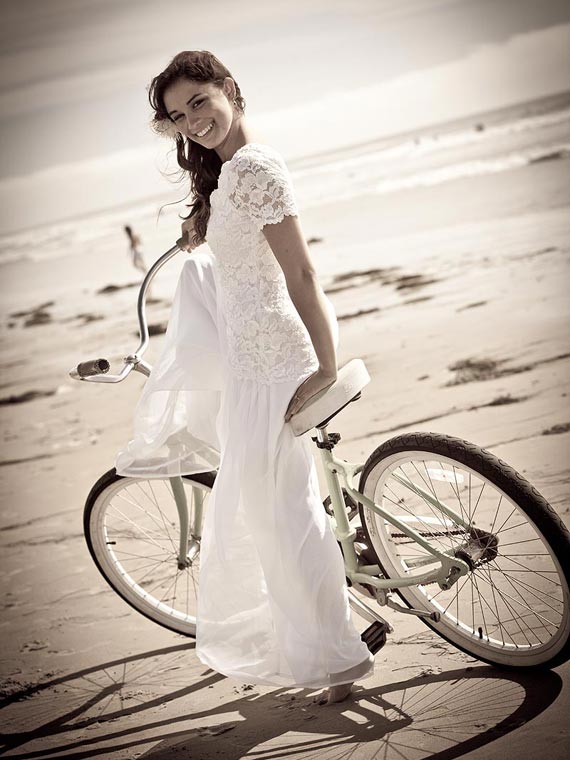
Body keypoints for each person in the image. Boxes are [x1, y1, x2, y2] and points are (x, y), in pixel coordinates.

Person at [115, 50, 374, 704]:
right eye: (178, 116)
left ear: (228, 88)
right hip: (251, 360)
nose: (192, 121)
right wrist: (202, 223)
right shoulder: (230, 174)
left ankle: (337, 659)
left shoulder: (255, 167)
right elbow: (239, 255)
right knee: (276, 512)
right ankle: (334, 631)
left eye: (199, 102)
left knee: (282, 517)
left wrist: (324, 366)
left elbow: (301, 272)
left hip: (278, 361)